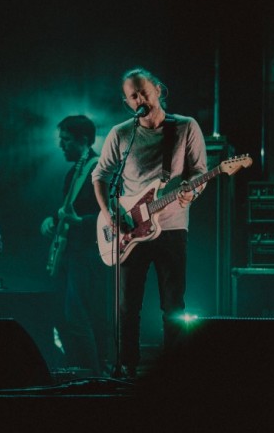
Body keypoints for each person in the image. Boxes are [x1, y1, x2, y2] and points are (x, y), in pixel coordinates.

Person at [91, 67, 208, 378]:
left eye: (143, 91)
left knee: (173, 305)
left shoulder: (185, 127)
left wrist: (192, 192)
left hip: (172, 227)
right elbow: (100, 176)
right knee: (127, 306)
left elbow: (199, 171)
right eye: (133, 96)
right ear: (127, 103)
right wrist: (111, 214)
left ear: (158, 89)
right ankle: (126, 366)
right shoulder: (121, 134)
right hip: (129, 230)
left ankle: (175, 369)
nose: (139, 99)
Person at [40, 115, 109, 376]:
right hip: (70, 252)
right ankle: (76, 370)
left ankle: (93, 374)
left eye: (66, 140)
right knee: (62, 316)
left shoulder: (100, 170)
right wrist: (51, 219)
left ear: (83, 140)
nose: (61, 145)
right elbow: (67, 208)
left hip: (88, 253)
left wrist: (80, 222)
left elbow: (112, 216)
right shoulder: (75, 172)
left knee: (78, 317)